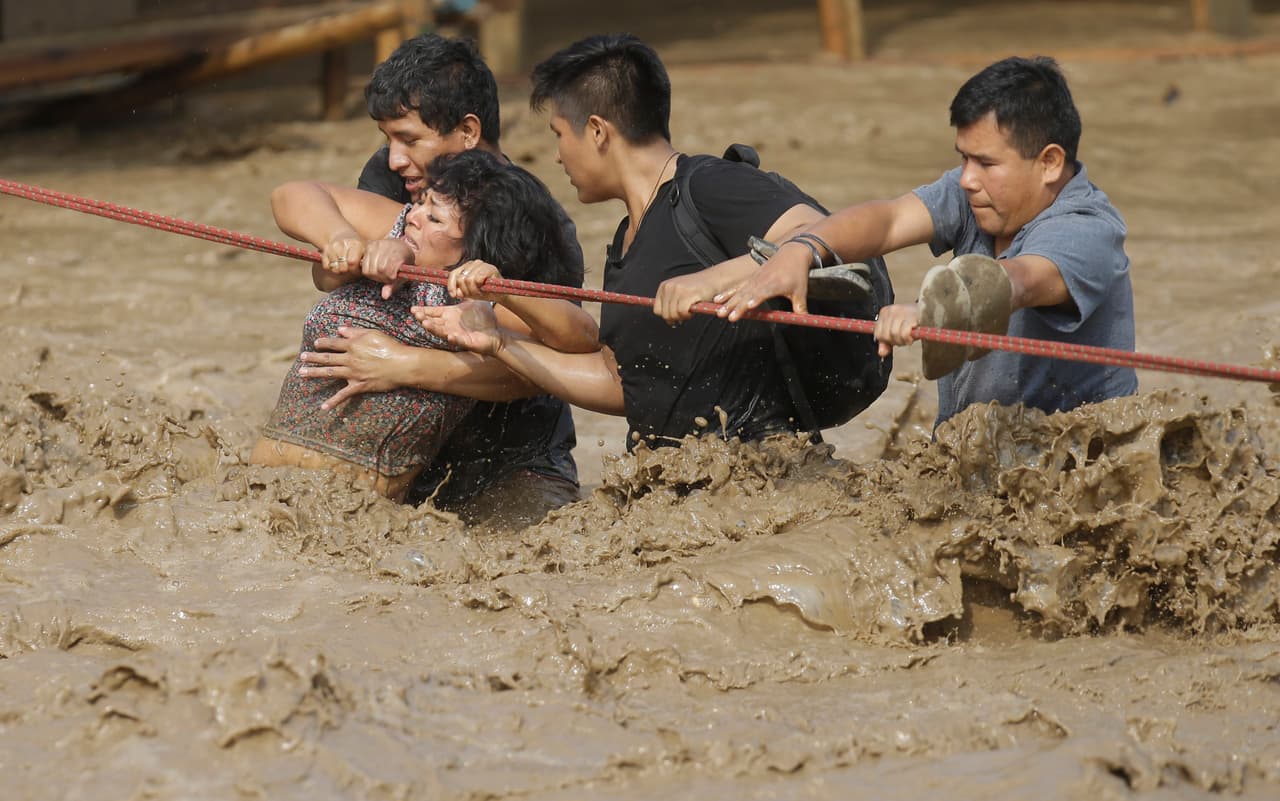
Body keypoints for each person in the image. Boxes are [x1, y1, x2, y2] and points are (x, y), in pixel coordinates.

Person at [418, 33, 857, 448]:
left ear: (596, 131)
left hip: (764, 480)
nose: (556, 155)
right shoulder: (627, 240)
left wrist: (712, 280)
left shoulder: (711, 185)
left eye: (558, 134)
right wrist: (498, 341)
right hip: (675, 486)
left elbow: (818, 232)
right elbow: (620, 385)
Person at [719, 56, 1137, 427]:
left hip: (1071, 467)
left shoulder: (1086, 229)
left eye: (986, 163)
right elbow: (888, 219)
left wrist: (929, 309)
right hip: (979, 450)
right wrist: (801, 249)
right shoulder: (976, 194)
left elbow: (1017, 281)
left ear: (1049, 162)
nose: (968, 179)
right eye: (963, 158)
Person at [299, 34, 595, 524]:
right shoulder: (400, 177)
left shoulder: (532, 218)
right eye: (387, 139)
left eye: (409, 140)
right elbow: (326, 263)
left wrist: (403, 364)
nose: (394, 158)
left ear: (468, 131)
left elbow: (550, 367)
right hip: (411, 456)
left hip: (513, 464)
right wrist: (341, 247)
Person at [250, 150, 584, 503]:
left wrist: (401, 364)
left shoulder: (477, 300)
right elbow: (289, 195)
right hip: (257, 494)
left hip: (354, 518)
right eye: (420, 202)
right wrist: (341, 237)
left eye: (435, 218)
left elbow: (576, 341)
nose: (414, 216)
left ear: (473, 251)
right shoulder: (395, 230)